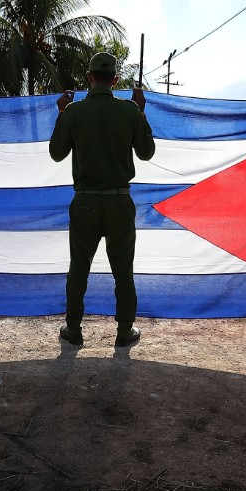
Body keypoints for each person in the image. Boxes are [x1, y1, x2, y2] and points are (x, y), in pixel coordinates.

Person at [49, 52, 156, 348]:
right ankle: (124, 331)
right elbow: (146, 152)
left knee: (79, 268)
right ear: (116, 80)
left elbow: (57, 153)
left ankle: (73, 329)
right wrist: (141, 111)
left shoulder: (73, 112)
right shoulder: (129, 111)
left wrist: (61, 113)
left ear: (89, 77)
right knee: (123, 271)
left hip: (84, 203)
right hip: (120, 203)